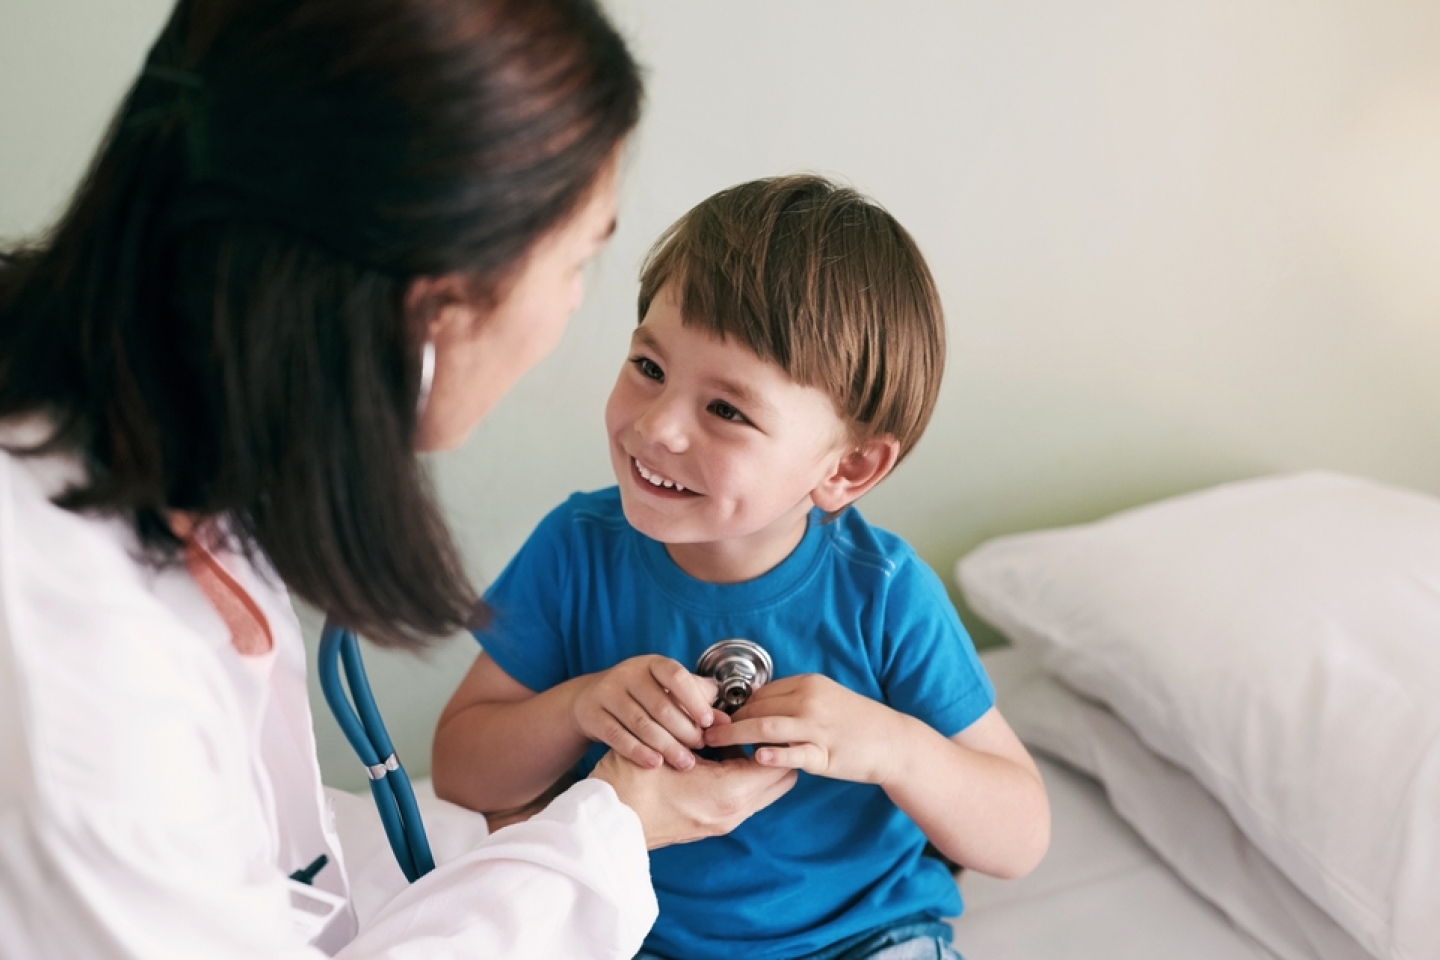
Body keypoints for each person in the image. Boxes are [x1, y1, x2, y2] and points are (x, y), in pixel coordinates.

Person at [0, 0, 797, 956]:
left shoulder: (172, 470)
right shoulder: (73, 672)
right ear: (430, 311)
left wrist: (583, 835)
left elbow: (273, 876)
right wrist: (610, 825)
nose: (570, 311)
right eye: (577, 262)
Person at [432, 175, 1052, 960]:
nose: (657, 427)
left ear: (848, 468)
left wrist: (893, 748)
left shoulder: (885, 597)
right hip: (637, 935)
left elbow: (1020, 837)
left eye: (726, 410)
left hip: (865, 938)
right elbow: (460, 772)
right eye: (649, 367)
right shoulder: (576, 549)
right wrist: (579, 707)